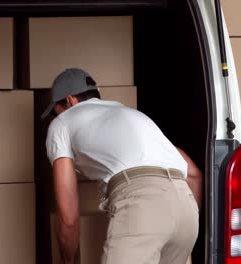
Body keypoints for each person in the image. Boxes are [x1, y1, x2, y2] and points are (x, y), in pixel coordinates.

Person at [42, 68, 203, 264]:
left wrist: (68, 260)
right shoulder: (132, 115)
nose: (55, 116)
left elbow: (68, 216)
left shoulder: (61, 124)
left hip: (144, 208)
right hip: (186, 212)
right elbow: (194, 174)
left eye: (55, 111)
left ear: (70, 101)